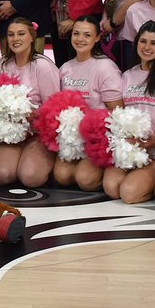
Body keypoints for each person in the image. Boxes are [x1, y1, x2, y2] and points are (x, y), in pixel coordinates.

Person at [103, 21, 155, 204]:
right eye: (143, 41)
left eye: (153, 43)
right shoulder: (127, 75)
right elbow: (119, 114)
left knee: (129, 193)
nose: (147, 47)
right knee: (111, 187)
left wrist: (153, 140)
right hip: (130, 149)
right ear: (137, 42)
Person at [0, 19, 60, 187]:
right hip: (12, 133)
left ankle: (48, 160)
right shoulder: (1, 64)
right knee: (2, 174)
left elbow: (55, 106)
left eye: (21, 34)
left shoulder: (42, 66)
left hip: (38, 133)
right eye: (11, 35)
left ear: (32, 37)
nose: (15, 39)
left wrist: (31, 115)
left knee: (30, 177)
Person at [57, 15, 123, 191]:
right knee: (62, 176)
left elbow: (117, 112)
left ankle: (109, 171)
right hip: (73, 139)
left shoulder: (105, 67)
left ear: (97, 38)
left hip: (98, 140)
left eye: (87, 35)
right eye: (76, 34)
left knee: (85, 180)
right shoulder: (65, 68)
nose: (80, 39)